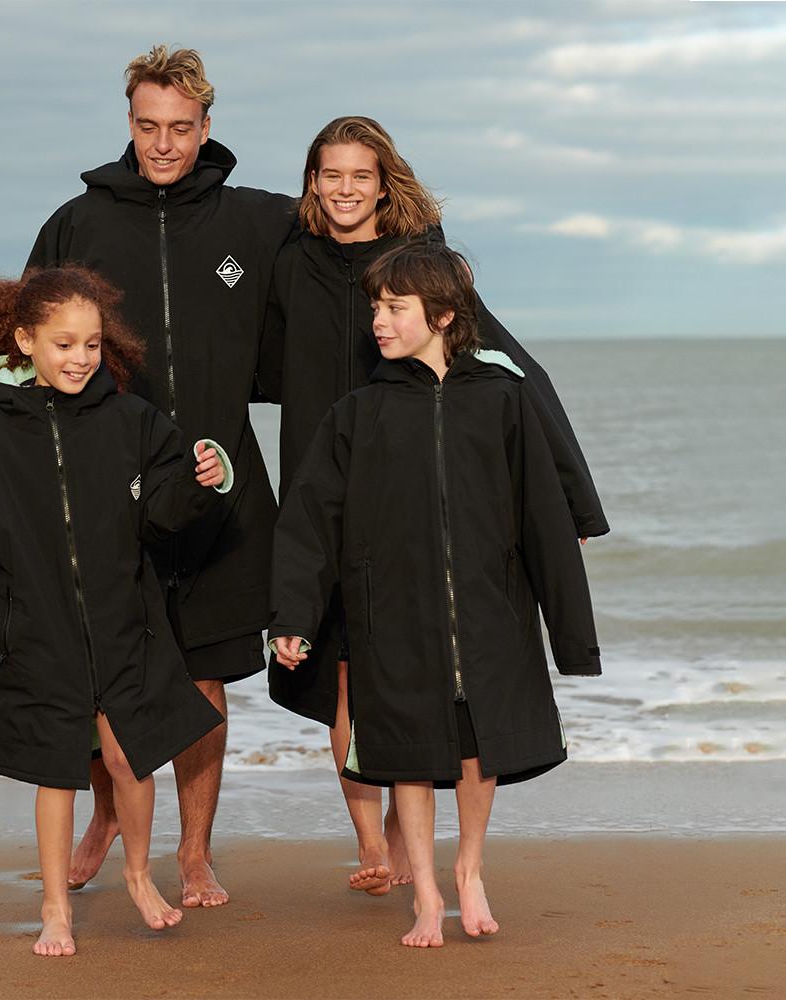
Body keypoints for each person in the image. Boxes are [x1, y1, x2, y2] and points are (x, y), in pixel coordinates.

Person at [257, 116, 608, 895]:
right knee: (344, 675)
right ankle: (371, 842)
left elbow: (517, 375)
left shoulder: (423, 274)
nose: (345, 190)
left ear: (386, 182)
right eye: (330, 175)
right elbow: (239, 356)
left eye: (361, 175)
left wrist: (573, 509)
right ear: (311, 183)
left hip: (417, 496)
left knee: (406, 675)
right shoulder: (288, 265)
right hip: (332, 485)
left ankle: (403, 828)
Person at [26, 45, 297, 907]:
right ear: (129, 122)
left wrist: (435, 254)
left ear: (208, 126)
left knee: (206, 673)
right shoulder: (79, 224)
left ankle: (193, 853)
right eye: (148, 127)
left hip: (221, 486)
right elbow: (24, 339)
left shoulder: (259, 221)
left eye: (181, 128)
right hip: (113, 482)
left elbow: (352, 245)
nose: (164, 145)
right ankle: (110, 815)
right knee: (111, 671)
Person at [0, 264, 233, 955]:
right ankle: (55, 908)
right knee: (57, 769)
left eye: (90, 344)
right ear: (24, 340)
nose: (80, 358)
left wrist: (207, 481)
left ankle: (141, 876)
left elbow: (165, 512)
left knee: (129, 758)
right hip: (36, 629)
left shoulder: (131, 421)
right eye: (63, 343)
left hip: (125, 621)